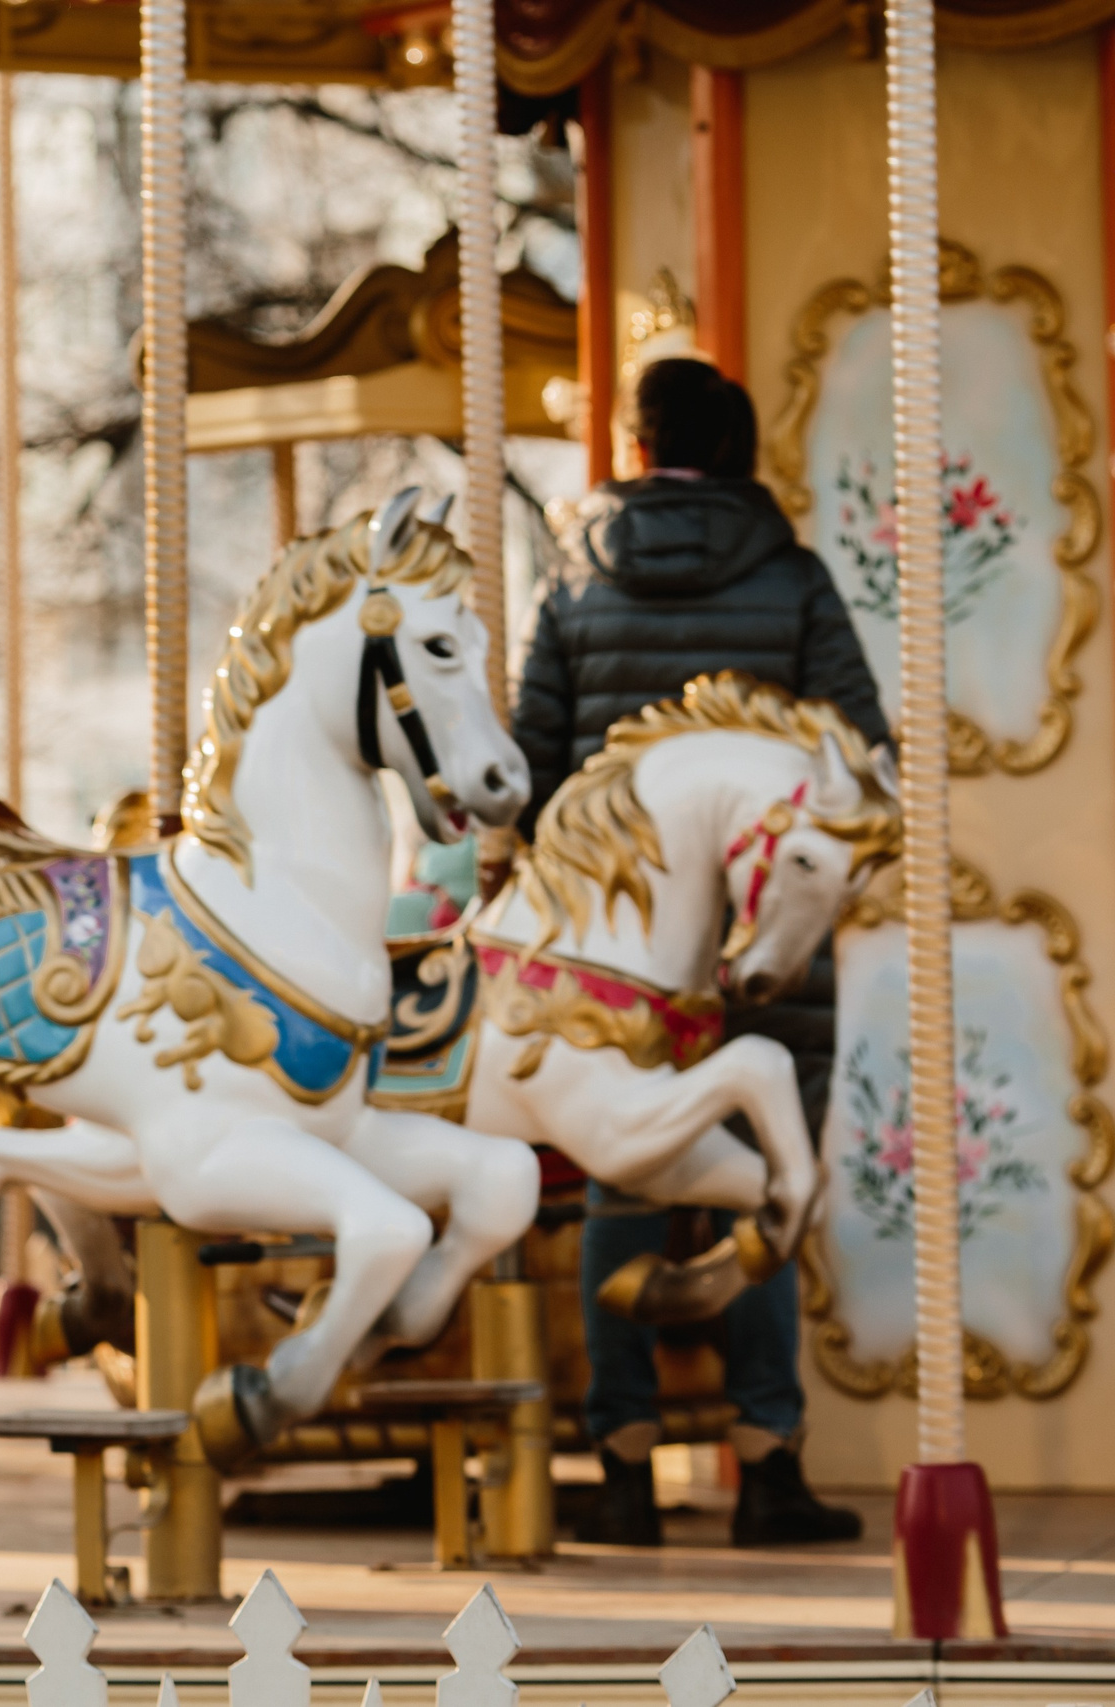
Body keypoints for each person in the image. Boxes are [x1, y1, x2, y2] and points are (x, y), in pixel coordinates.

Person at [514, 357, 885, 1549]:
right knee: (763, 1182)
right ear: (735, 448)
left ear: (634, 445)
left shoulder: (573, 578)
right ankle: (766, 1463)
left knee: (626, 1177)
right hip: (765, 937)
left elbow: (526, 769)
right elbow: (856, 753)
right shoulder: (792, 576)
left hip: (613, 949)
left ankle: (620, 1465)